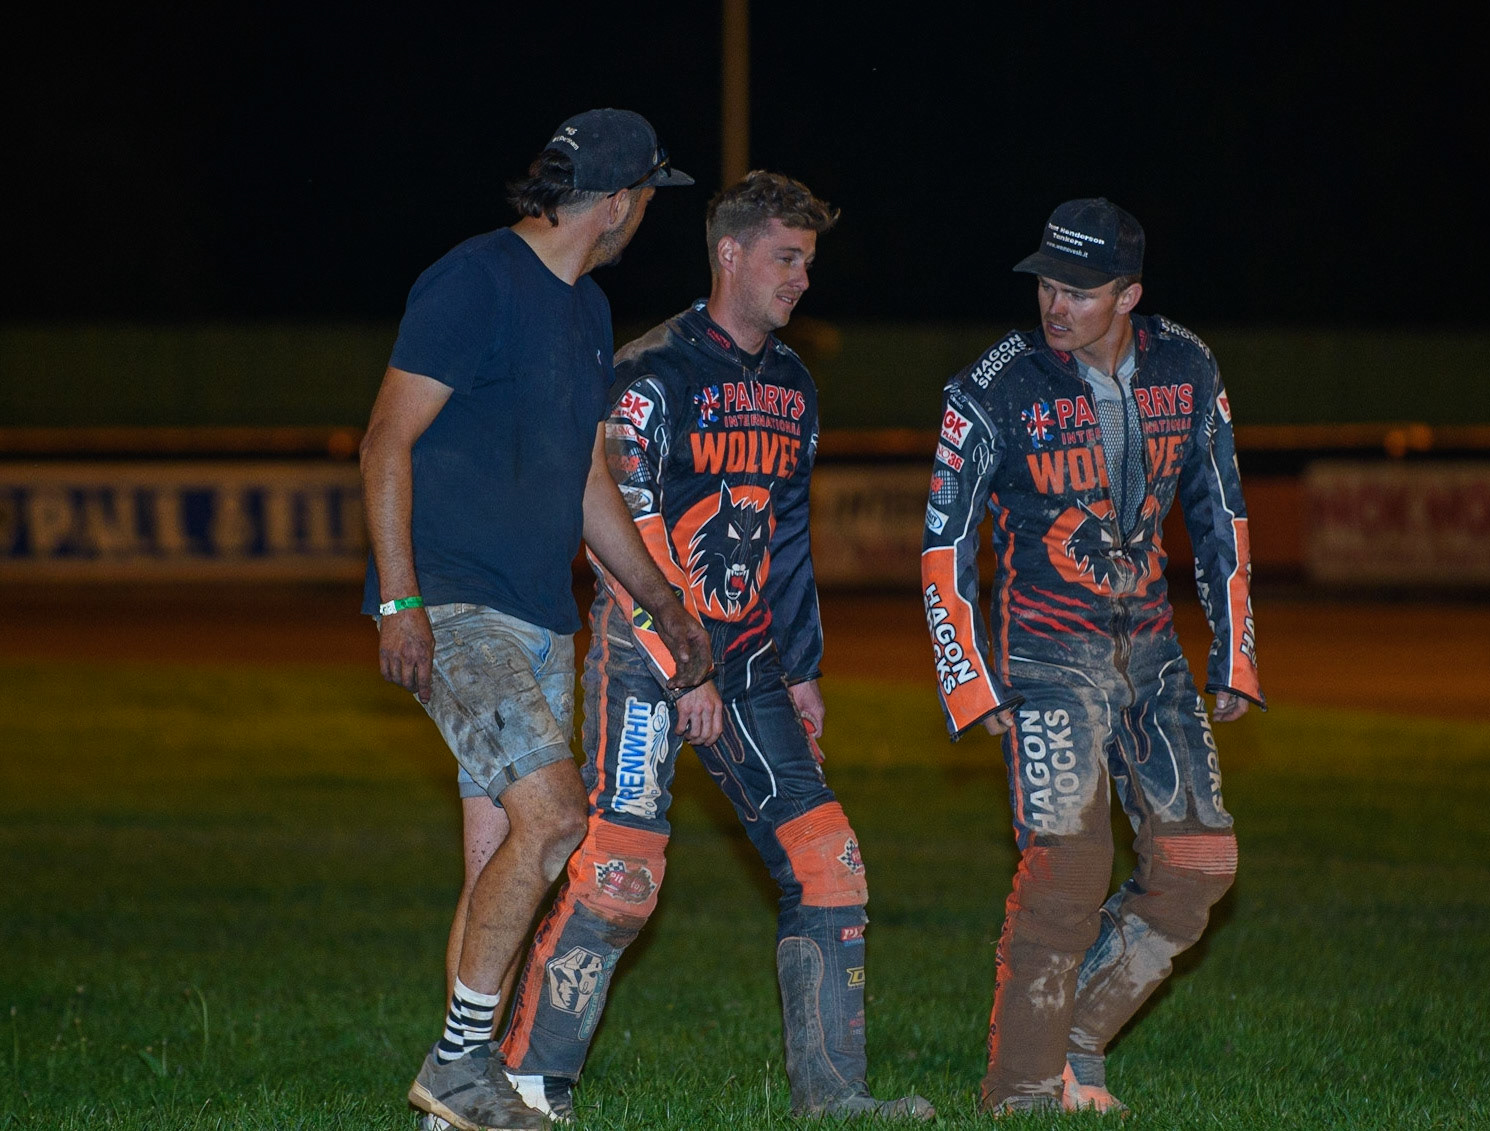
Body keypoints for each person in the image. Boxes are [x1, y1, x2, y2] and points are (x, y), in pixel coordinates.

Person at [498, 171, 934, 1123]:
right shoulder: (652, 373)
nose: (801, 280)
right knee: (621, 874)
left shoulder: (793, 387)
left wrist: (804, 669)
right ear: (729, 253)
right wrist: (682, 655)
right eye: (787, 258)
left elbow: (785, 539)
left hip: (749, 663)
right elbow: (621, 523)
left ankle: (835, 1094)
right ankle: (528, 1084)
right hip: (646, 653)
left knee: (831, 862)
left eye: (808, 263)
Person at [360, 108, 712, 1131]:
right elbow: (385, 440)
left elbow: (585, 477)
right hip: (456, 600)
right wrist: (400, 600)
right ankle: (458, 1063)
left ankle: (449, 1109)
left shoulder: (587, 309)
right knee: (558, 818)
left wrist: (660, 599)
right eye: (647, 195)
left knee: (498, 865)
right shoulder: (471, 281)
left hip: (539, 618)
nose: (646, 213)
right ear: (613, 203)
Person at [921, 198, 1264, 1115]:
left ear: (1130, 295)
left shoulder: (1187, 366)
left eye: (1079, 289)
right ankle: (1023, 1092)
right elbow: (943, 544)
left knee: (1200, 865)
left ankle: (1076, 1037)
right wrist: (968, 679)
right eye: (1046, 283)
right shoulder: (994, 385)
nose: (1055, 304)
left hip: (1149, 651)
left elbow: (1221, 511)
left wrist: (1235, 653)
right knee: (1068, 870)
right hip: (1043, 651)